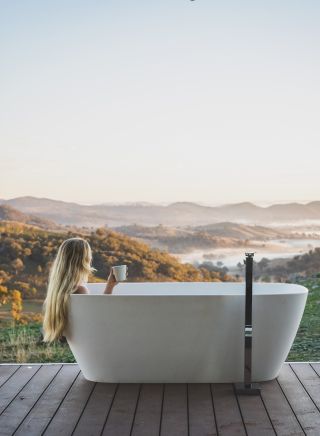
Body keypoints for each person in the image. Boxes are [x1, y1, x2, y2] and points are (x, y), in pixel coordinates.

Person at [43, 237, 117, 342]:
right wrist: (110, 286)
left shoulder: (58, 288)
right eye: (89, 256)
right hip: (90, 342)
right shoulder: (80, 289)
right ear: (83, 260)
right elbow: (100, 319)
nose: (91, 259)